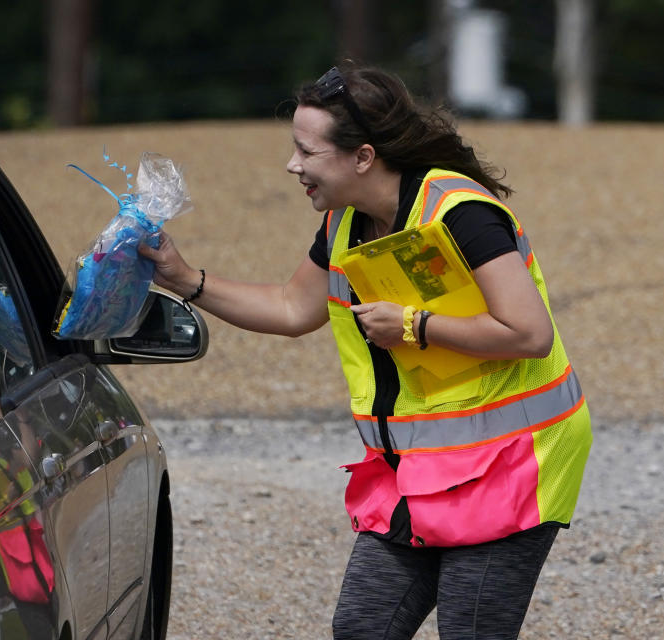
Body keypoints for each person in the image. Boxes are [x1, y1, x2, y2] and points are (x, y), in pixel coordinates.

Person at [139, 62, 592, 639]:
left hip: (514, 461)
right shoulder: (342, 222)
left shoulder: (462, 214)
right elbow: (290, 308)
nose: (292, 165)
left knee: (471, 629)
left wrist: (416, 326)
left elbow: (531, 333)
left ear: (363, 157)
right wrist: (182, 278)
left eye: (307, 151)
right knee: (362, 627)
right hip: (421, 466)